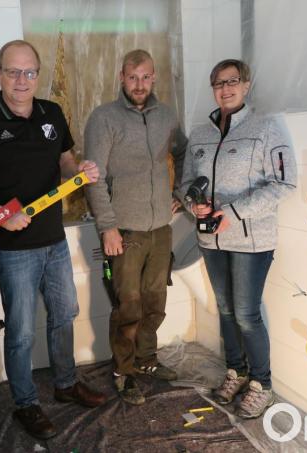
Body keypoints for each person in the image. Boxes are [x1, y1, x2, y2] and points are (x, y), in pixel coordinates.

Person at [0, 40, 107, 440]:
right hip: (12, 249)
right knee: (20, 330)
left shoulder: (51, 112)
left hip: (54, 240)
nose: (22, 80)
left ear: (38, 74)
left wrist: (78, 170)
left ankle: (66, 383)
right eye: (13, 72)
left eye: (29, 72)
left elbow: (64, 159)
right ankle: (26, 404)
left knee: (64, 313)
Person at [180, 59, 297, 419]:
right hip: (211, 241)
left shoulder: (266, 128)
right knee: (226, 310)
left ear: (246, 85)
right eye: (218, 83)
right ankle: (237, 371)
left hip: (250, 241)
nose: (225, 89)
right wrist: (192, 205)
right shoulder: (200, 134)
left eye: (232, 81)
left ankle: (262, 383)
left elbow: (284, 183)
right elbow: (185, 183)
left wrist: (231, 214)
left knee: (247, 314)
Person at [83, 49, 188, 405]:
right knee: (127, 306)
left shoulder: (167, 117)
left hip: (161, 228)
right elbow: (91, 178)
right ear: (121, 78)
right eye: (132, 77)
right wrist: (108, 227)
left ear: (154, 77)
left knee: (155, 302)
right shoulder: (104, 118)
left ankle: (146, 360)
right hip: (124, 232)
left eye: (145, 77)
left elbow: (185, 153)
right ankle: (124, 372)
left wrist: (181, 193)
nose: (139, 84)